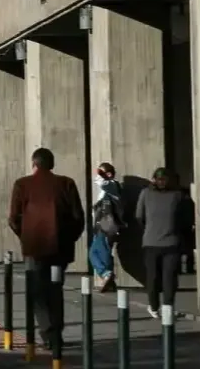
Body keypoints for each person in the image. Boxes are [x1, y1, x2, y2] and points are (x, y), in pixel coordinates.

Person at [8, 147, 85, 354]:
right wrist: (67, 239)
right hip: (60, 249)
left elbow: (14, 219)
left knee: (38, 291)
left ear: (34, 164)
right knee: (55, 288)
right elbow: (79, 218)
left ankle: (47, 332)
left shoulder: (22, 184)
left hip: (34, 248)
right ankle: (56, 332)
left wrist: (25, 236)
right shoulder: (66, 183)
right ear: (52, 164)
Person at [136, 167, 191, 319]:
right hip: (166, 242)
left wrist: (150, 229)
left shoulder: (147, 194)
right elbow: (186, 220)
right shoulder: (178, 195)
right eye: (159, 179)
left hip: (157, 242)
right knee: (167, 278)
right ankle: (162, 307)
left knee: (159, 278)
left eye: (162, 179)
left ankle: (158, 307)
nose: (160, 182)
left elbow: (139, 217)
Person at [90, 162, 123, 291]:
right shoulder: (107, 190)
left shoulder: (112, 186)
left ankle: (106, 274)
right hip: (102, 226)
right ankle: (109, 282)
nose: (98, 175)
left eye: (101, 173)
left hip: (107, 227)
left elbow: (102, 183)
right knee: (104, 253)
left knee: (94, 253)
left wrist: (100, 174)